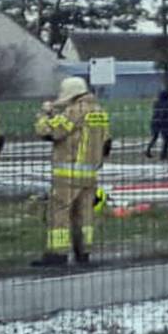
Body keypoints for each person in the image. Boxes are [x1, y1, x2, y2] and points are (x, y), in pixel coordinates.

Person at [32, 76, 109, 267]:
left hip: (68, 174)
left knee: (59, 212)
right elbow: (107, 142)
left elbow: (50, 132)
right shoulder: (99, 112)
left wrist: (44, 115)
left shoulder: (75, 111)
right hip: (89, 174)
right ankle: (83, 252)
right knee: (84, 214)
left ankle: (57, 254)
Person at [145, 89, 168, 159]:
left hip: (155, 121)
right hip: (164, 122)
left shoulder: (156, 102)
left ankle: (148, 150)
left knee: (154, 137)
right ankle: (163, 154)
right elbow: (166, 113)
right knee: (166, 138)